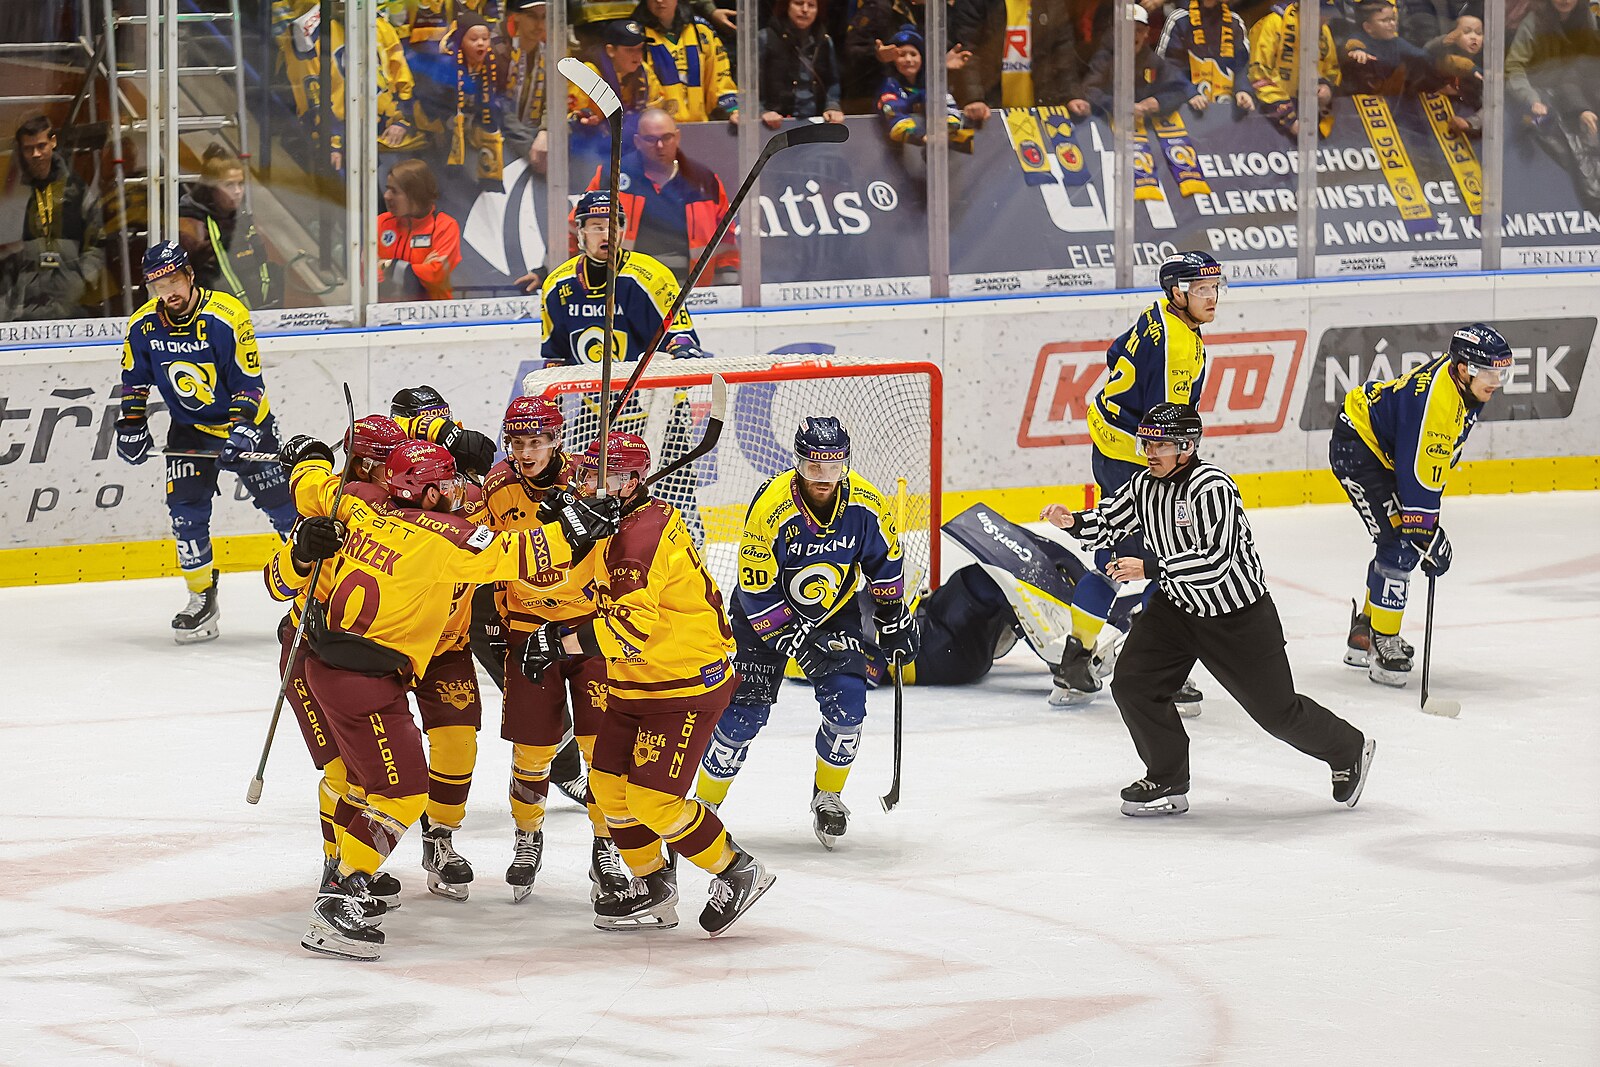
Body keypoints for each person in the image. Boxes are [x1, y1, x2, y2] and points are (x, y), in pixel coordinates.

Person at [282, 435, 621, 959]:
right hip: (364, 680)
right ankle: (337, 899)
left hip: (329, 666)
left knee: (367, 785)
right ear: (432, 493)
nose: (456, 489)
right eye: (447, 484)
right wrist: (580, 525)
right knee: (401, 793)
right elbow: (521, 556)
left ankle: (345, 881)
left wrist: (306, 463)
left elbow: (313, 489)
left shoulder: (358, 504)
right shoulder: (444, 537)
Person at [1043, 403, 1377, 818]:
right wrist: (1071, 521)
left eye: (1159, 443)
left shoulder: (1213, 487)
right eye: (1145, 442)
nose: (1149, 451)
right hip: (1176, 609)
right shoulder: (1144, 483)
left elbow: (1214, 563)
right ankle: (1167, 776)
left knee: (1277, 713)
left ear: (1186, 446)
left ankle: (1348, 748)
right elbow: (1108, 522)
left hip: (1236, 618)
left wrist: (1147, 567)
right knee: (1132, 684)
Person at [520, 432, 776, 936]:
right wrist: (553, 540)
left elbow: (627, 627)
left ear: (637, 480)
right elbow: (577, 584)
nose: (602, 485)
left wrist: (558, 643)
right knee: (609, 790)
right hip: (637, 679)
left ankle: (738, 870)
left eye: (614, 477)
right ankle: (652, 887)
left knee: (653, 802)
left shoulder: (638, 540)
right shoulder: (613, 523)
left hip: (683, 683)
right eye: (595, 476)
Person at [692, 417, 918, 850]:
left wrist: (894, 617)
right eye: (813, 466)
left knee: (848, 706)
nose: (823, 477)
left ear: (845, 464)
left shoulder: (867, 504)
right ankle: (704, 807)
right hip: (763, 619)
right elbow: (757, 592)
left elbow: (885, 563)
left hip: (834, 613)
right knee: (743, 717)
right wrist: (797, 643)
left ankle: (828, 795)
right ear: (797, 462)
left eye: (832, 466)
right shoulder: (771, 507)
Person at [480, 396, 635, 902]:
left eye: (536, 442)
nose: (526, 453)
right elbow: (480, 548)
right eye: (517, 443)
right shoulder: (497, 487)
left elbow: (623, 527)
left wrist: (601, 511)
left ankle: (605, 849)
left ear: (556, 441)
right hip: (527, 630)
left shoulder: (589, 477)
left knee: (600, 750)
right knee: (533, 751)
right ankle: (527, 838)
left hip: (587, 630)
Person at [1055, 251, 1224, 707]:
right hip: (1142, 460)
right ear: (1178, 293)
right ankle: (1159, 669)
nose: (1212, 298)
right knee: (1171, 563)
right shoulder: (1177, 346)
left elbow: (1115, 355)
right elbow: (1164, 426)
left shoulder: (1157, 316)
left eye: (1214, 288)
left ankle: (1075, 661)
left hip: (1111, 449)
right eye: (1202, 290)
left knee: (1114, 558)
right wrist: (1178, 469)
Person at [114, 242, 298, 644]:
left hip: (248, 427)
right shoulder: (143, 325)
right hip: (189, 431)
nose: (168, 292)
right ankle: (201, 597)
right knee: (185, 517)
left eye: (174, 280)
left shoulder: (227, 316)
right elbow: (134, 379)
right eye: (157, 284)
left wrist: (242, 430)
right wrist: (130, 423)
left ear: (190, 275)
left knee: (288, 514)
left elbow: (248, 384)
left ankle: (319, 595)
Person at [262, 415, 410, 912]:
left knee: (366, 775)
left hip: (355, 657)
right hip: (308, 651)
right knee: (344, 773)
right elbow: (276, 585)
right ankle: (337, 870)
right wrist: (302, 553)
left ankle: (345, 866)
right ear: (365, 462)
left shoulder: (391, 507)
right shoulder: (330, 510)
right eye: (385, 462)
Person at [1328, 323, 1511, 687]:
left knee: (1400, 537)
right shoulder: (1438, 404)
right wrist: (1426, 534)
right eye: (1489, 371)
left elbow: (1431, 465)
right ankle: (1383, 641)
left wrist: (1426, 528)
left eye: (1501, 372)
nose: (1496, 380)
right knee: (1401, 542)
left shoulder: (1465, 387)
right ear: (1463, 368)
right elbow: (1419, 476)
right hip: (1359, 449)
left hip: (1385, 452)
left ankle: (1366, 629)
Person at [541, 189, 704, 365]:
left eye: (613, 226)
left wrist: (682, 353)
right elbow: (555, 359)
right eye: (597, 227)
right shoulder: (556, 286)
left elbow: (683, 339)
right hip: (592, 393)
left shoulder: (652, 277)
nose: (606, 235)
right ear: (580, 231)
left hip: (653, 392)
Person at [579, 108, 740, 285]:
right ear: (637, 141)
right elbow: (577, 226)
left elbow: (726, 239)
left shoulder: (704, 180)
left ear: (677, 137)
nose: (660, 146)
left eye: (667, 137)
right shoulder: (612, 175)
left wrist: (728, 283)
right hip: (627, 287)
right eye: (651, 139)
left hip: (689, 292)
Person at [4, 113, 105, 320]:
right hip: (21, 306)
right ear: (20, 150)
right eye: (28, 148)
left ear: (53, 142)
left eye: (41, 146)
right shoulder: (13, 193)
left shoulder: (76, 189)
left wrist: (82, 279)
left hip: (70, 302)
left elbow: (96, 240)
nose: (36, 154)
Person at [1506, 0, 1600, 213]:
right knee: (1537, 124)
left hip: (1577, 94)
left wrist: (1585, 105)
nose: (1565, 0)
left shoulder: (1587, 19)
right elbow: (1514, 67)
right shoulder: (1534, 22)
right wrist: (1531, 99)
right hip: (1542, 95)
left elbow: (1589, 66)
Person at [178, 144, 276, 310]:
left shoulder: (242, 218)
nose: (238, 191)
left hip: (257, 314)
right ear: (211, 189)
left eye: (241, 184)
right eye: (229, 185)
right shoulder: (190, 226)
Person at [948, 0, 1084, 114]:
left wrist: (1072, 95)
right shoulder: (976, 2)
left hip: (1040, 111)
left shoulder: (1050, 3)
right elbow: (967, 50)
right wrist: (974, 98)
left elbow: (1063, 52)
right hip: (990, 111)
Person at [1082, 5, 1202, 121]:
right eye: (1127, 29)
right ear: (1116, 31)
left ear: (1146, 32)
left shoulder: (1153, 60)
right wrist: (1118, 106)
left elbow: (1180, 88)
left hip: (1145, 127)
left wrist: (1159, 102)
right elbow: (1089, 91)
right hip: (1109, 125)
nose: (1133, 35)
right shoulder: (1104, 58)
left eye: (1138, 30)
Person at [633, 0, 740, 125]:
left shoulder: (701, 31)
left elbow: (720, 79)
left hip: (700, 129)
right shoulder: (635, 37)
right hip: (655, 133)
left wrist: (733, 110)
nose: (659, 0)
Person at [1249, 0, 1343, 138]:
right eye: (1322, 13)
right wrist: (1289, 119)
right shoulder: (1274, 23)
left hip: (1310, 115)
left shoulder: (1323, 30)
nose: (1326, 18)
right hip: (1268, 116)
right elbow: (1259, 76)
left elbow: (1332, 69)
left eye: (1329, 13)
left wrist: (1327, 88)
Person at [876, 26, 976, 152]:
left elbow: (948, 106)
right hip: (900, 152)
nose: (908, 60)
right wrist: (920, 137)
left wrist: (946, 128)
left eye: (913, 54)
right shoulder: (890, 85)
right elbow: (893, 113)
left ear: (922, 58)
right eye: (901, 55)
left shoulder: (931, 84)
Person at [377, 159, 463, 301]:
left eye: (394, 191)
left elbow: (436, 275)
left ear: (415, 195)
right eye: (387, 189)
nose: (386, 196)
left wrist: (388, 265)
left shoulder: (445, 227)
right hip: (385, 313)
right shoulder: (381, 223)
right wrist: (420, 269)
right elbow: (366, 275)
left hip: (432, 315)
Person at [1159, 0, 1256, 114]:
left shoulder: (1235, 22)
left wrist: (1242, 89)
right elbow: (1167, 67)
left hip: (1226, 112)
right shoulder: (1180, 19)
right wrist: (1189, 92)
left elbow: (1242, 65)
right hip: (1185, 109)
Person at [759, 0, 846, 128]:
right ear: (786, 6)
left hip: (815, 124)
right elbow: (750, 86)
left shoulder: (825, 41)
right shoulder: (765, 38)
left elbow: (832, 82)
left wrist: (832, 106)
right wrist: (761, 111)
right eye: (799, 3)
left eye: (811, 5)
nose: (805, 10)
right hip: (774, 124)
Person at [503, 0, 553, 174]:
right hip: (500, 141)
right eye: (532, 16)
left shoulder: (551, 54)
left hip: (537, 138)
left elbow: (555, 101)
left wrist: (546, 131)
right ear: (515, 17)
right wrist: (529, 145)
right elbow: (498, 110)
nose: (539, 25)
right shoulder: (498, 51)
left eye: (544, 17)